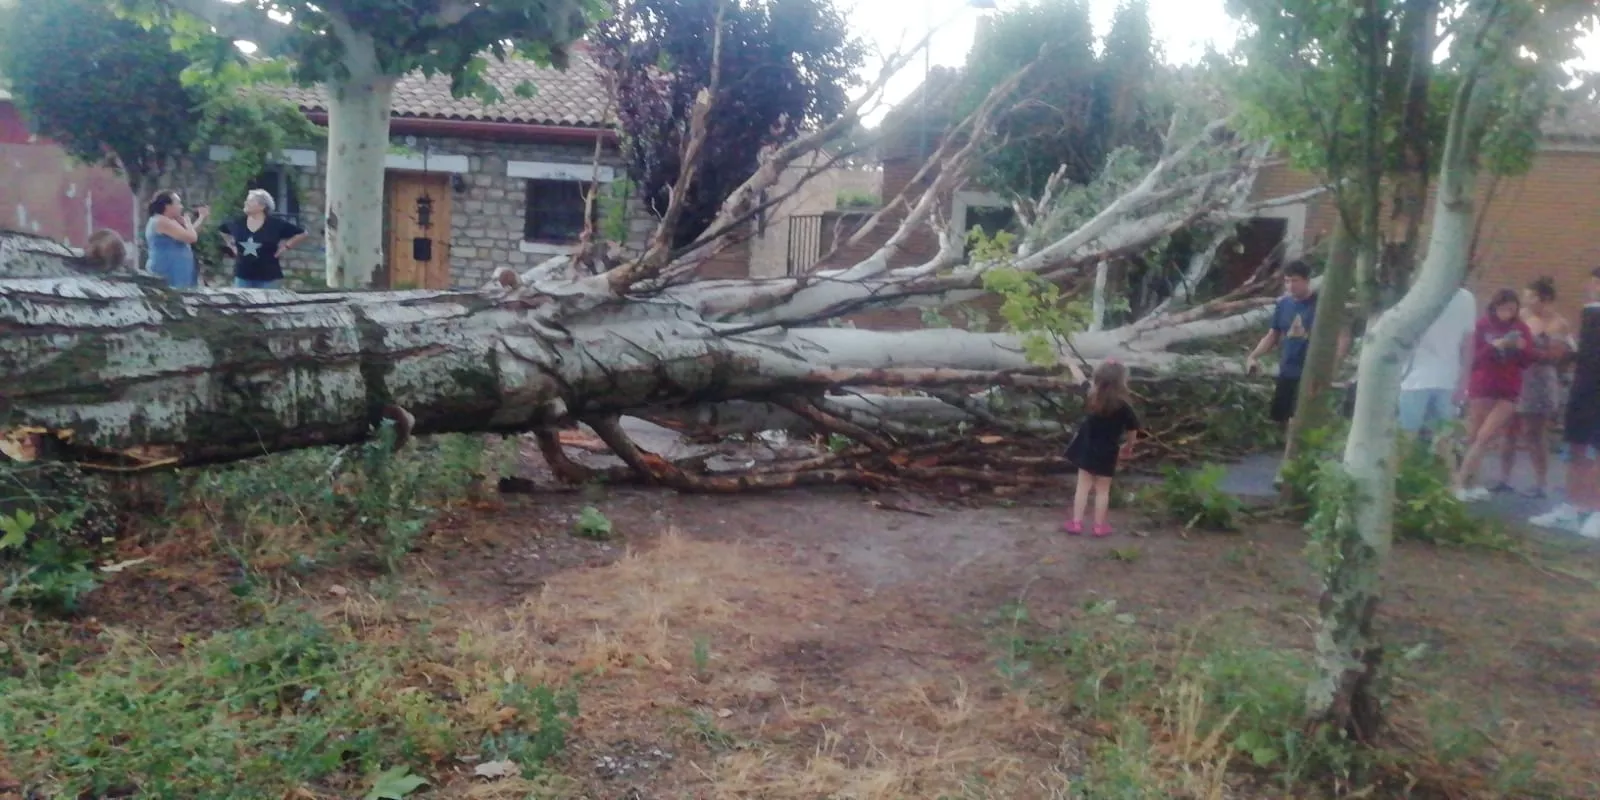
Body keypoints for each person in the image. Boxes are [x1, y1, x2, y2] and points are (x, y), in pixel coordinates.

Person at [1531, 267, 1600, 538]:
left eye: (1595, 283)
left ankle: (1595, 509)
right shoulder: (1589, 313)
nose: (1590, 288)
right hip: (1583, 389)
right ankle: (1573, 507)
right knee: (1576, 447)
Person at [1245, 260, 1349, 427]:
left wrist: (1333, 367)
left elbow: (1342, 336)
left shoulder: (1323, 305)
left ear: (1307, 280)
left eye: (1295, 280)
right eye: (1287, 281)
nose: (1290, 285)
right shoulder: (1283, 304)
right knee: (1280, 419)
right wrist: (1254, 356)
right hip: (1287, 370)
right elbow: (1273, 335)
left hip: (1312, 373)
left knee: (1304, 422)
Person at [1453, 288, 1534, 501]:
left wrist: (1521, 348)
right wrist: (1493, 346)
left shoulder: (1521, 328)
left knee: (1485, 435)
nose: (1507, 313)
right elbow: (1473, 357)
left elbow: (1527, 361)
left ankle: (1459, 481)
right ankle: (1474, 481)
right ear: (1495, 307)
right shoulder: (1482, 326)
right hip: (1483, 386)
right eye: (1504, 308)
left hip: (1508, 389)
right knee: (1474, 436)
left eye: (1512, 309)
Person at [1493, 277, 1570, 498]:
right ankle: (1504, 478)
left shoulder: (1557, 324)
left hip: (1539, 380)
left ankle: (1541, 482)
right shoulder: (1522, 317)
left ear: (1543, 299)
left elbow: (1555, 356)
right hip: (1516, 376)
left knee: (1534, 433)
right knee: (1508, 428)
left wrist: (1526, 349)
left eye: (1530, 297)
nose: (1526, 301)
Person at [1063, 359, 1142, 538]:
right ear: (1122, 381)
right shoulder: (1124, 406)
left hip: (1086, 449)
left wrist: (1070, 363)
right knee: (1103, 490)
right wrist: (1129, 446)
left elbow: (1080, 379)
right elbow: (1133, 430)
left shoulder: (1092, 397)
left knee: (1082, 487)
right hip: (1108, 452)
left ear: (1097, 378)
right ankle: (1099, 526)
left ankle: (1076, 523)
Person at [1397, 286, 1477, 442]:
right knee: (1440, 438)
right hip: (1435, 379)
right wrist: (1464, 381)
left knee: (1410, 437)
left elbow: (1468, 342)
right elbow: (1468, 343)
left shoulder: (1417, 292)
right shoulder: (1466, 298)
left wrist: (1464, 381)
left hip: (1421, 380)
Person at [220, 189, 307, 289]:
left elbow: (302, 233)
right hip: (243, 276)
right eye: (246, 200)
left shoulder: (275, 225)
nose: (246, 203)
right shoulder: (237, 223)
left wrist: (286, 247)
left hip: (269, 278)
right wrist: (231, 245)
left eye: (250, 201)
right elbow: (223, 230)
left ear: (262, 206)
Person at [144, 190, 206, 288]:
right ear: (167, 206)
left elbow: (188, 234)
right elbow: (191, 237)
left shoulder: (169, 221)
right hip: (167, 271)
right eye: (178, 203)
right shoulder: (161, 221)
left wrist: (201, 218)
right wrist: (187, 222)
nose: (181, 207)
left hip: (179, 272)